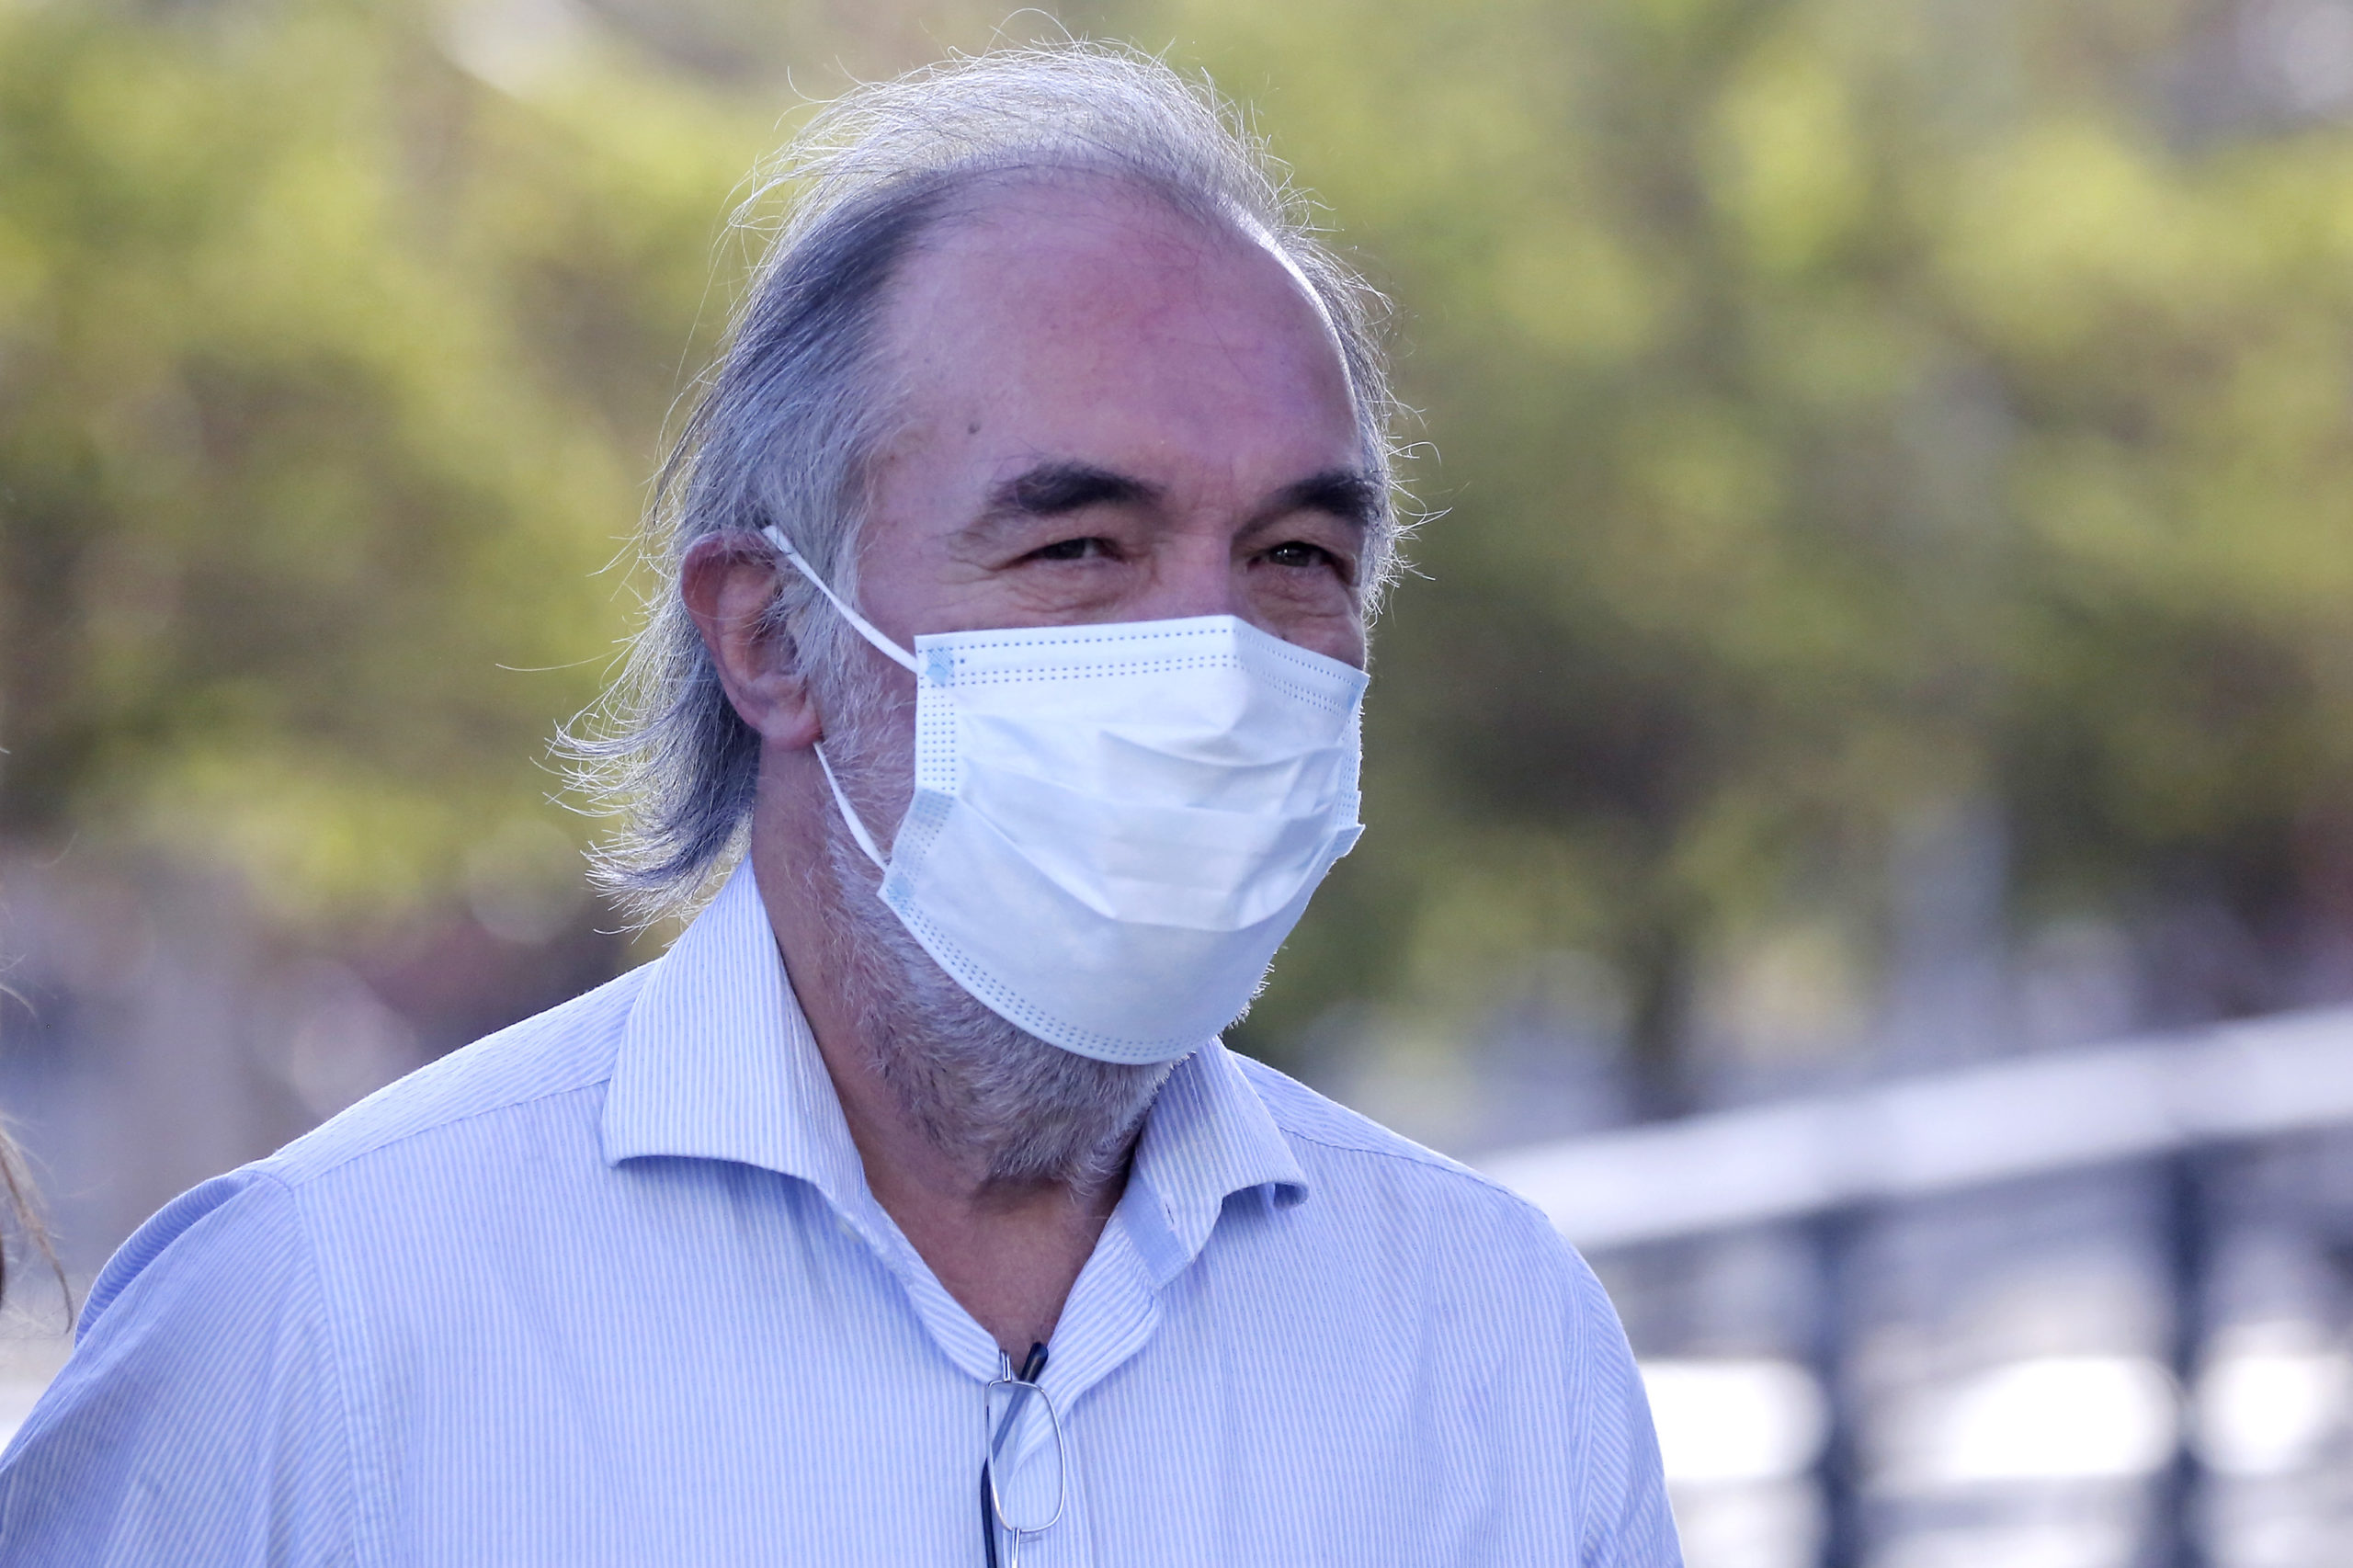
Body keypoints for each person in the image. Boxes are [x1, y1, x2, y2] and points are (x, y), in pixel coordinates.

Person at [0, 45, 1679, 1565]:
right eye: (1079, 546)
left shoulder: (1497, 1341)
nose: (1217, 657)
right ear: (768, 633)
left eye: (1297, 557)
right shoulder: (311, 1329)